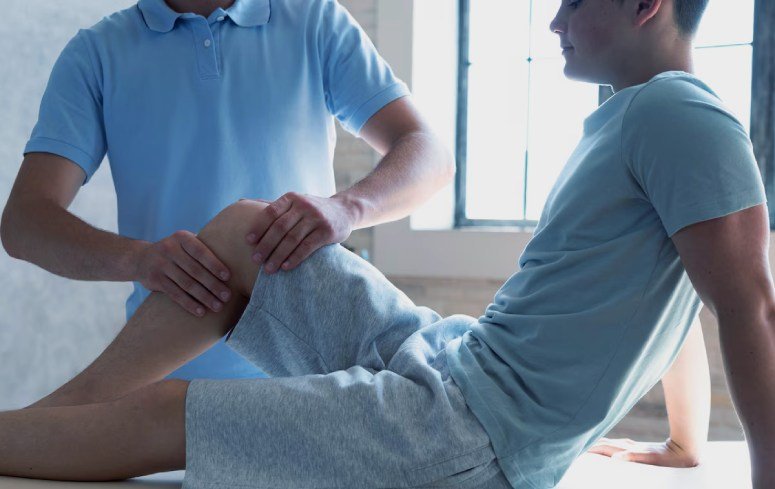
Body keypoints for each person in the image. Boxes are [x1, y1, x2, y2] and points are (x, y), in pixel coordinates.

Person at [2, 0, 773, 488]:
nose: (552, 21)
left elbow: (748, 306)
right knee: (246, 224)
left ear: (647, 5)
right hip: (455, 359)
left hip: (473, 430)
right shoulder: (635, 119)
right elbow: (681, 283)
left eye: (572, 1)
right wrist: (682, 442)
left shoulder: (681, 117)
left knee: (174, 415)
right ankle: (48, 418)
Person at [0, 0, 453, 380]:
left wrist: (349, 208)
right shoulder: (96, 54)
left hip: (317, 383)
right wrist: (139, 259)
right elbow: (24, 222)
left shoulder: (314, 19)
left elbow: (429, 153)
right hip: (167, 390)